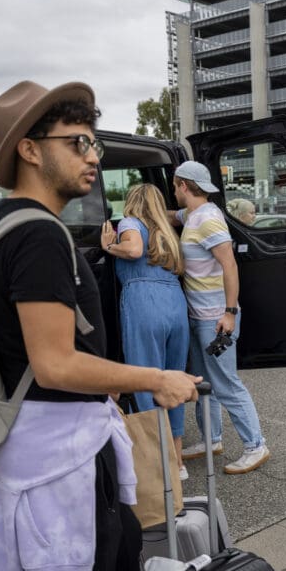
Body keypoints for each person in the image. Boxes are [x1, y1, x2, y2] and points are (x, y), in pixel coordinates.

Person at [0, 80, 200, 571]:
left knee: (118, 555)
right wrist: (155, 377)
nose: (94, 155)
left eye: (93, 141)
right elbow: (55, 362)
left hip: (60, 436)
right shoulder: (38, 234)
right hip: (62, 447)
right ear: (29, 148)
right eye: (78, 142)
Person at [173, 161, 271, 475]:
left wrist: (229, 313)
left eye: (175, 186)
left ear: (184, 186)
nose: (174, 191)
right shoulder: (193, 215)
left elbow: (229, 265)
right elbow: (169, 215)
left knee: (227, 384)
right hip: (199, 316)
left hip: (215, 319)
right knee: (205, 384)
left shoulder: (207, 220)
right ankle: (211, 439)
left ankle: (256, 445)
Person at [101, 184, 191, 481]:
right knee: (173, 379)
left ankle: (160, 463)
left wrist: (109, 246)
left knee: (145, 381)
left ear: (132, 202)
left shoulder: (129, 223)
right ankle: (178, 462)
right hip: (175, 304)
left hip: (143, 301)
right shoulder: (167, 231)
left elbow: (133, 249)